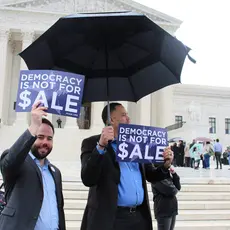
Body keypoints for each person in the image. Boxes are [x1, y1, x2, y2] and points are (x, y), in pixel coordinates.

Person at [80, 102, 174, 230]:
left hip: (138, 218)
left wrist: (165, 165)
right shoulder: (92, 143)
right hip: (112, 219)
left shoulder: (136, 143)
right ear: (111, 119)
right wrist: (101, 146)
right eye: (124, 115)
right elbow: (88, 178)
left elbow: (151, 174)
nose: (128, 118)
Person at [0, 102, 66, 230]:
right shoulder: (19, 163)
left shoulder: (55, 172)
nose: (45, 142)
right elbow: (9, 163)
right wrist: (34, 126)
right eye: (40, 137)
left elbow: (59, 209)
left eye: (49, 138)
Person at [152, 147, 181, 230]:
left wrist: (174, 174)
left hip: (172, 209)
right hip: (163, 210)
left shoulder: (167, 171)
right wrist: (174, 187)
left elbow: (178, 187)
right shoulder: (156, 172)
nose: (169, 156)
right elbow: (172, 190)